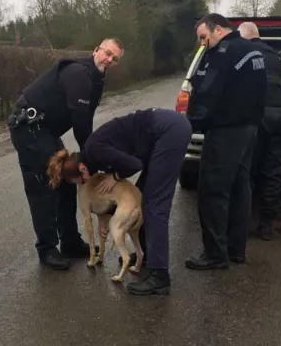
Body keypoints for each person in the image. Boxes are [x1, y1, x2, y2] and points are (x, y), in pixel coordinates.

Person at [47, 107, 192, 296]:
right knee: (142, 193)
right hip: (160, 132)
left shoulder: (95, 150)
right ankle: (148, 255)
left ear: (82, 168)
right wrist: (104, 216)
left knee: (154, 203)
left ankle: (160, 276)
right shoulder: (91, 155)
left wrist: (114, 175)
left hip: (169, 131)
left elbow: (135, 164)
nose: (83, 184)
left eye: (80, 181)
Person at [8, 38, 124, 271]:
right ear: (96, 50)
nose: (109, 59)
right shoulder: (80, 74)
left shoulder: (96, 77)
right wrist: (91, 161)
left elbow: (86, 121)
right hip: (30, 128)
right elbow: (82, 124)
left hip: (46, 130)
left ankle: (70, 242)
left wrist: (90, 158)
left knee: (67, 182)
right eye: (107, 53)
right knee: (44, 186)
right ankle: (47, 249)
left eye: (115, 58)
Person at [184, 13, 267, 270]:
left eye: (203, 37)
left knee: (213, 191)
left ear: (218, 30)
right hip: (249, 130)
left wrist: (188, 125)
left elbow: (208, 93)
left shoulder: (223, 52)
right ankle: (235, 249)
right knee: (241, 189)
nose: (202, 43)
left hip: (225, 131)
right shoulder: (253, 52)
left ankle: (215, 254)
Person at [239, 21, 281, 241]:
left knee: (248, 171)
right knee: (273, 171)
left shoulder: (245, 52)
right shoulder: (275, 56)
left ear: (246, 36)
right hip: (280, 116)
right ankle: (266, 226)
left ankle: (242, 224)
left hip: (258, 116)